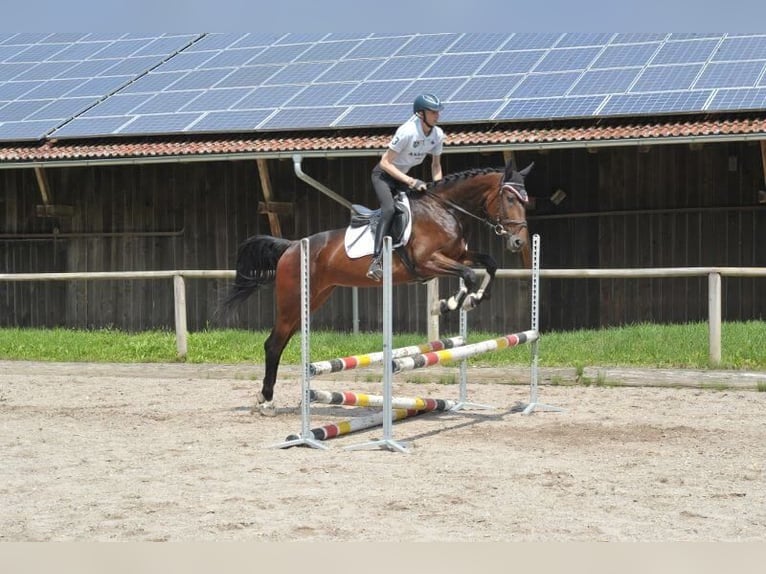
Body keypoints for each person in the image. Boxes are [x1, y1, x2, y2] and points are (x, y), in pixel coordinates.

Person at [366, 93, 446, 281]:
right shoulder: (407, 131)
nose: (437, 115)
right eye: (432, 112)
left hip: (403, 177)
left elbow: (436, 166)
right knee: (389, 210)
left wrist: (438, 188)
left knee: (420, 210)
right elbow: (385, 162)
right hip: (384, 176)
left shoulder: (438, 135)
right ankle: (376, 260)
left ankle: (417, 259)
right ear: (420, 114)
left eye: (438, 112)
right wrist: (411, 181)